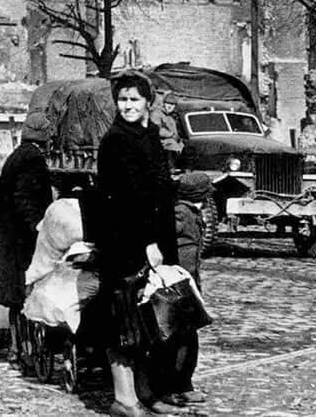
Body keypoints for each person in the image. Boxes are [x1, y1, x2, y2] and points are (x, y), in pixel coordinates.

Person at [93, 71, 178, 417]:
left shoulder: (149, 136)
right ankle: (124, 399)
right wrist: (147, 243)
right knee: (125, 320)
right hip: (126, 244)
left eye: (134, 99)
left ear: (147, 102)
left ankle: (148, 391)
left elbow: (156, 192)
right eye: (122, 99)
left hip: (154, 240)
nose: (127, 105)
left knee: (151, 320)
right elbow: (126, 199)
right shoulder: (115, 140)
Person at [0, 112, 54, 360]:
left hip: (10, 236)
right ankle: (25, 348)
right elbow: (23, 196)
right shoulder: (32, 159)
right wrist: (37, 224)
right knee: (26, 291)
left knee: (16, 297)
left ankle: (16, 348)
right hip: (22, 238)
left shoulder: (17, 155)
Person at [146, 172, 210, 409]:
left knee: (188, 337)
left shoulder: (190, 211)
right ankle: (168, 388)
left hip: (189, 282)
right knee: (173, 338)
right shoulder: (181, 212)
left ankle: (184, 384)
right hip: (176, 285)